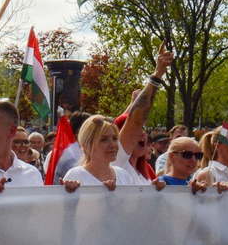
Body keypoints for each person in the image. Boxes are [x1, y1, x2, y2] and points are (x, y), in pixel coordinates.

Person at [114, 43, 172, 185]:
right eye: (136, 131)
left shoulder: (146, 172)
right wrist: (157, 75)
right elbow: (135, 120)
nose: (142, 134)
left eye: (143, 130)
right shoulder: (117, 162)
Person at [62, 115, 134, 190]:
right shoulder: (76, 175)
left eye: (115, 138)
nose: (112, 144)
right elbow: (63, 201)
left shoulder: (124, 175)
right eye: (104, 140)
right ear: (87, 146)